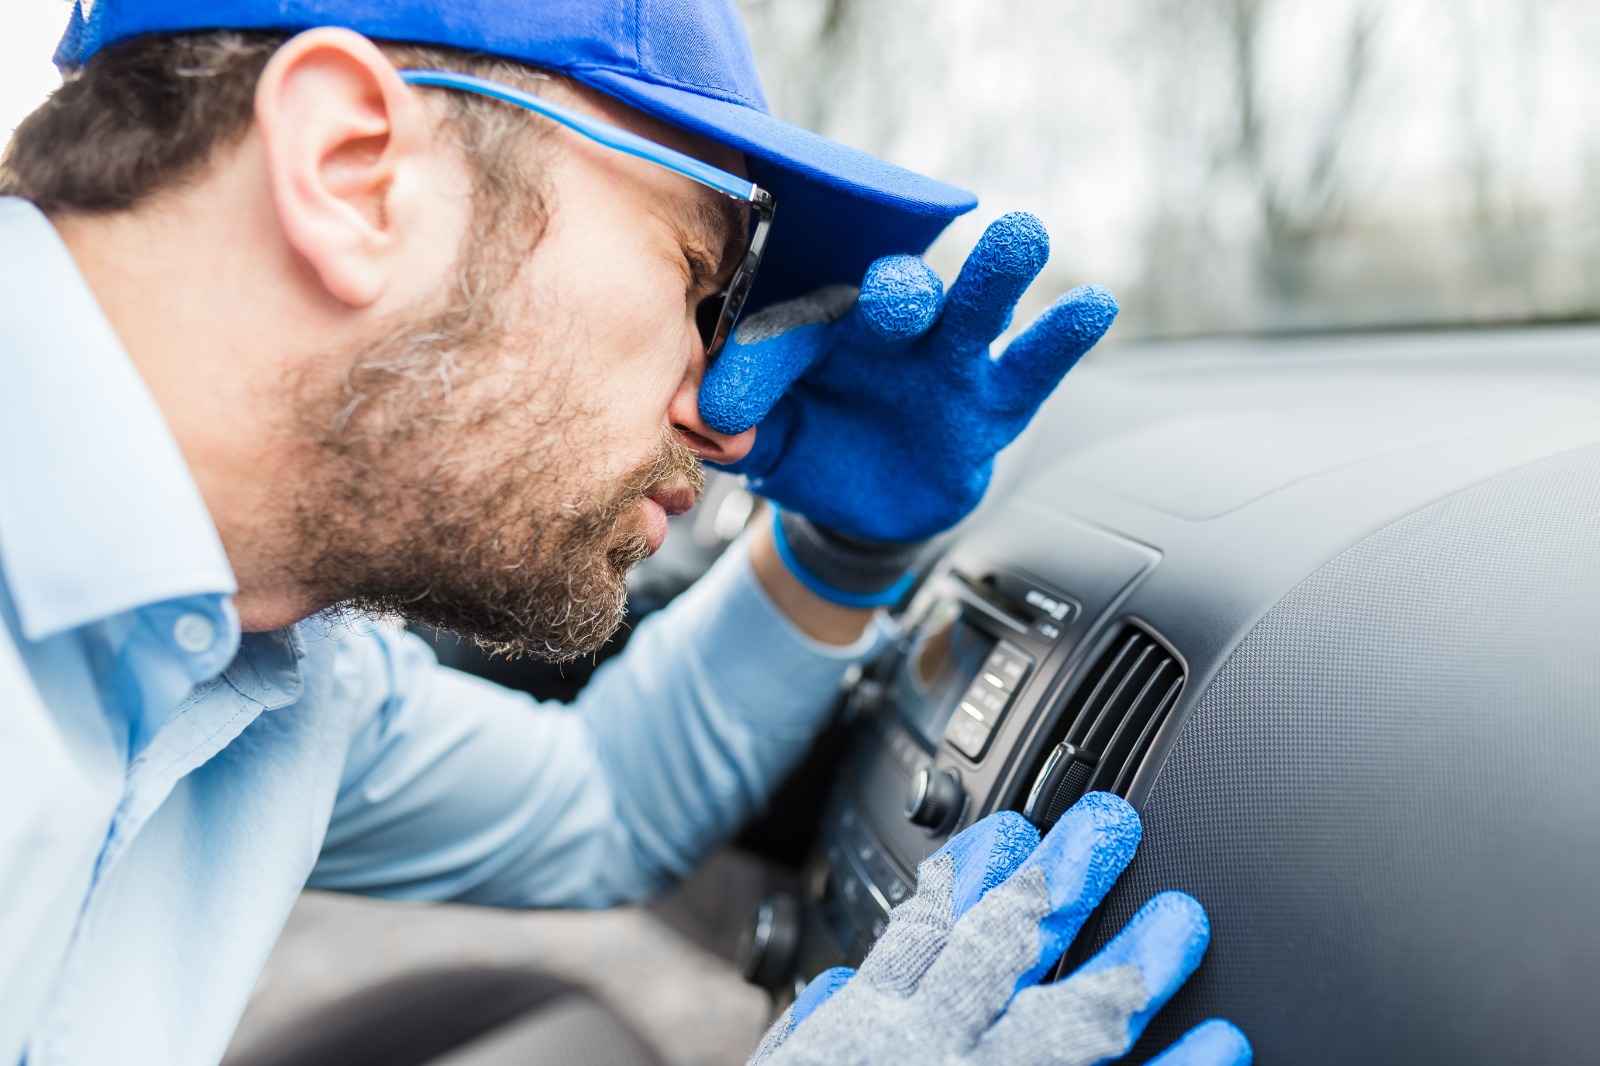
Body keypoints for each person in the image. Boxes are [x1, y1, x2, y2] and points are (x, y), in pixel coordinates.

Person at [0, 1, 1250, 1064]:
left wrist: (837, 555)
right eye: (701, 282)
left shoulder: (261, 646)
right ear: (352, 172)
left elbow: (599, 801)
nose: (719, 417)